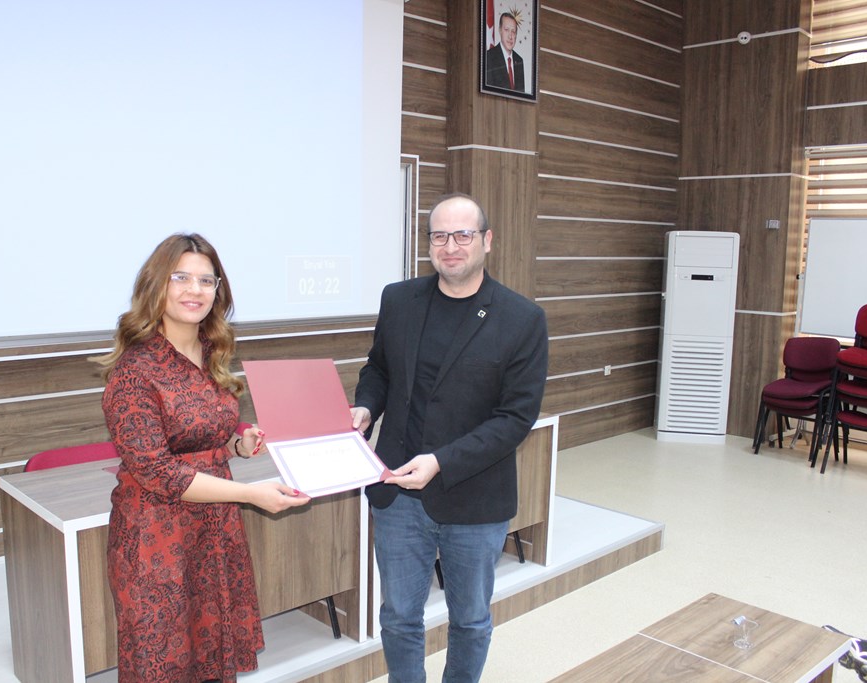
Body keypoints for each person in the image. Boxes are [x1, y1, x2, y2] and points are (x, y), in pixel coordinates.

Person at [351, 193, 548, 683]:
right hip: (397, 491)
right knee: (398, 617)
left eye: (463, 235)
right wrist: (367, 406)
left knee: (470, 621)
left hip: (474, 497)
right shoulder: (399, 299)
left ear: (487, 241)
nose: (451, 246)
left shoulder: (522, 318)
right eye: (439, 235)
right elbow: (379, 368)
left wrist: (440, 461)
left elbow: (515, 418)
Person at [97, 233, 310, 682]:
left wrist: (237, 444)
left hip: (215, 532)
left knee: (214, 658)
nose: (194, 290)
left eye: (206, 280)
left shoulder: (210, 353)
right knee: (163, 663)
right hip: (157, 540)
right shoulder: (135, 370)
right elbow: (159, 471)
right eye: (181, 278)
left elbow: (199, 439)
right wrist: (251, 494)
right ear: (156, 284)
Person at [484, 12, 525, 92]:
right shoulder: (489, 57)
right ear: (500, 30)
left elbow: (521, 95)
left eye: (513, 31)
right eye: (506, 30)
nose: (510, 36)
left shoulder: (519, 60)